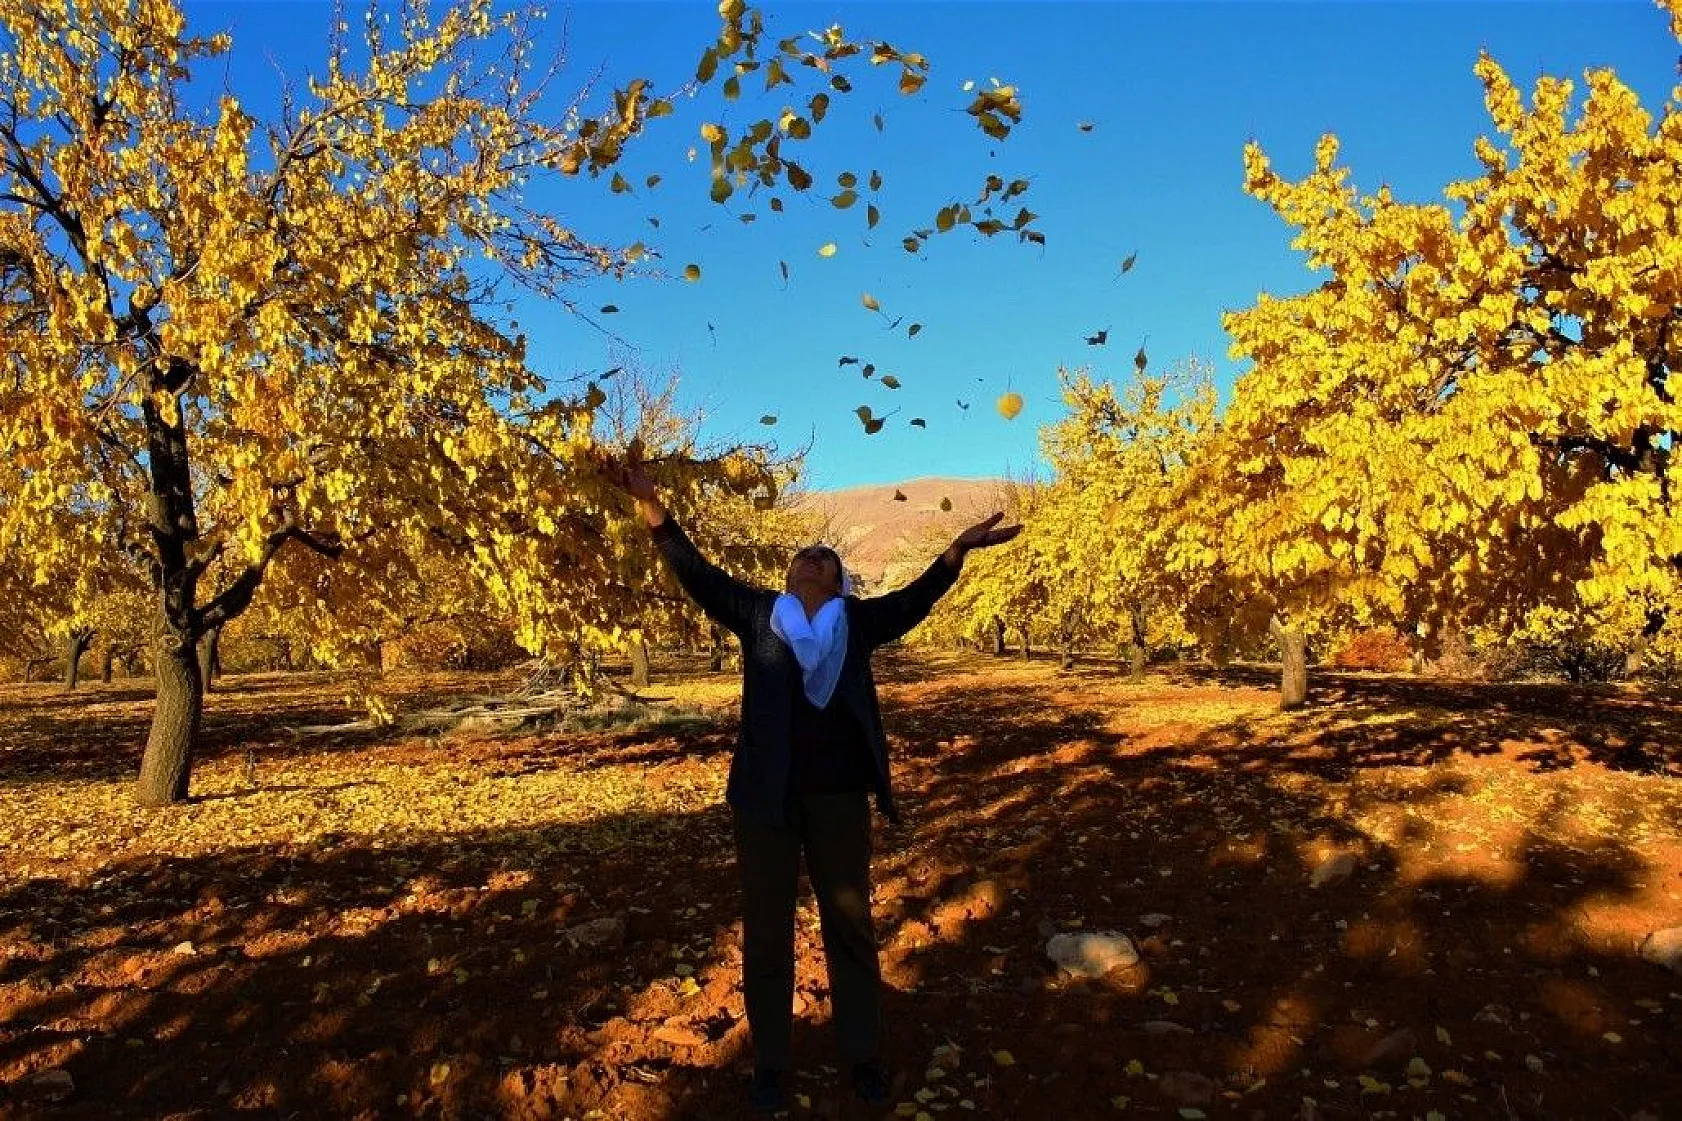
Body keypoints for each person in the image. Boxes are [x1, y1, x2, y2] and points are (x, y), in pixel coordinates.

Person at [605, 460, 1019, 1113]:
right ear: (789, 575)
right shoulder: (757, 613)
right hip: (764, 803)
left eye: (824, 557)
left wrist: (955, 552)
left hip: (839, 799)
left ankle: (862, 1055)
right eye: (803, 554)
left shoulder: (856, 622)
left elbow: (913, 600)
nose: (811, 558)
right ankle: (771, 1062)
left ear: (838, 580)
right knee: (767, 932)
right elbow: (696, 573)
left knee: (849, 924)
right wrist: (652, 505)